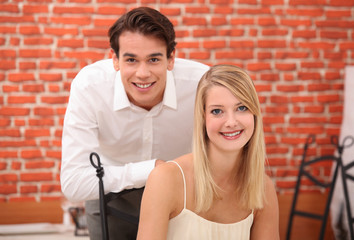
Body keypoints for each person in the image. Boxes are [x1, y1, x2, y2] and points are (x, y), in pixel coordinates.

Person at [60, 6, 209, 240]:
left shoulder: (202, 84)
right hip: (111, 196)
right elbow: (74, 183)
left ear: (171, 59)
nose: (142, 73)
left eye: (153, 59)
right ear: (115, 59)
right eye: (131, 59)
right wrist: (151, 169)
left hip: (183, 199)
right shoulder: (89, 87)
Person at [137, 64, 280, 240]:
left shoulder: (263, 188)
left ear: (255, 115)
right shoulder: (165, 179)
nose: (231, 122)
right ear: (203, 118)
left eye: (242, 108)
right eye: (217, 111)